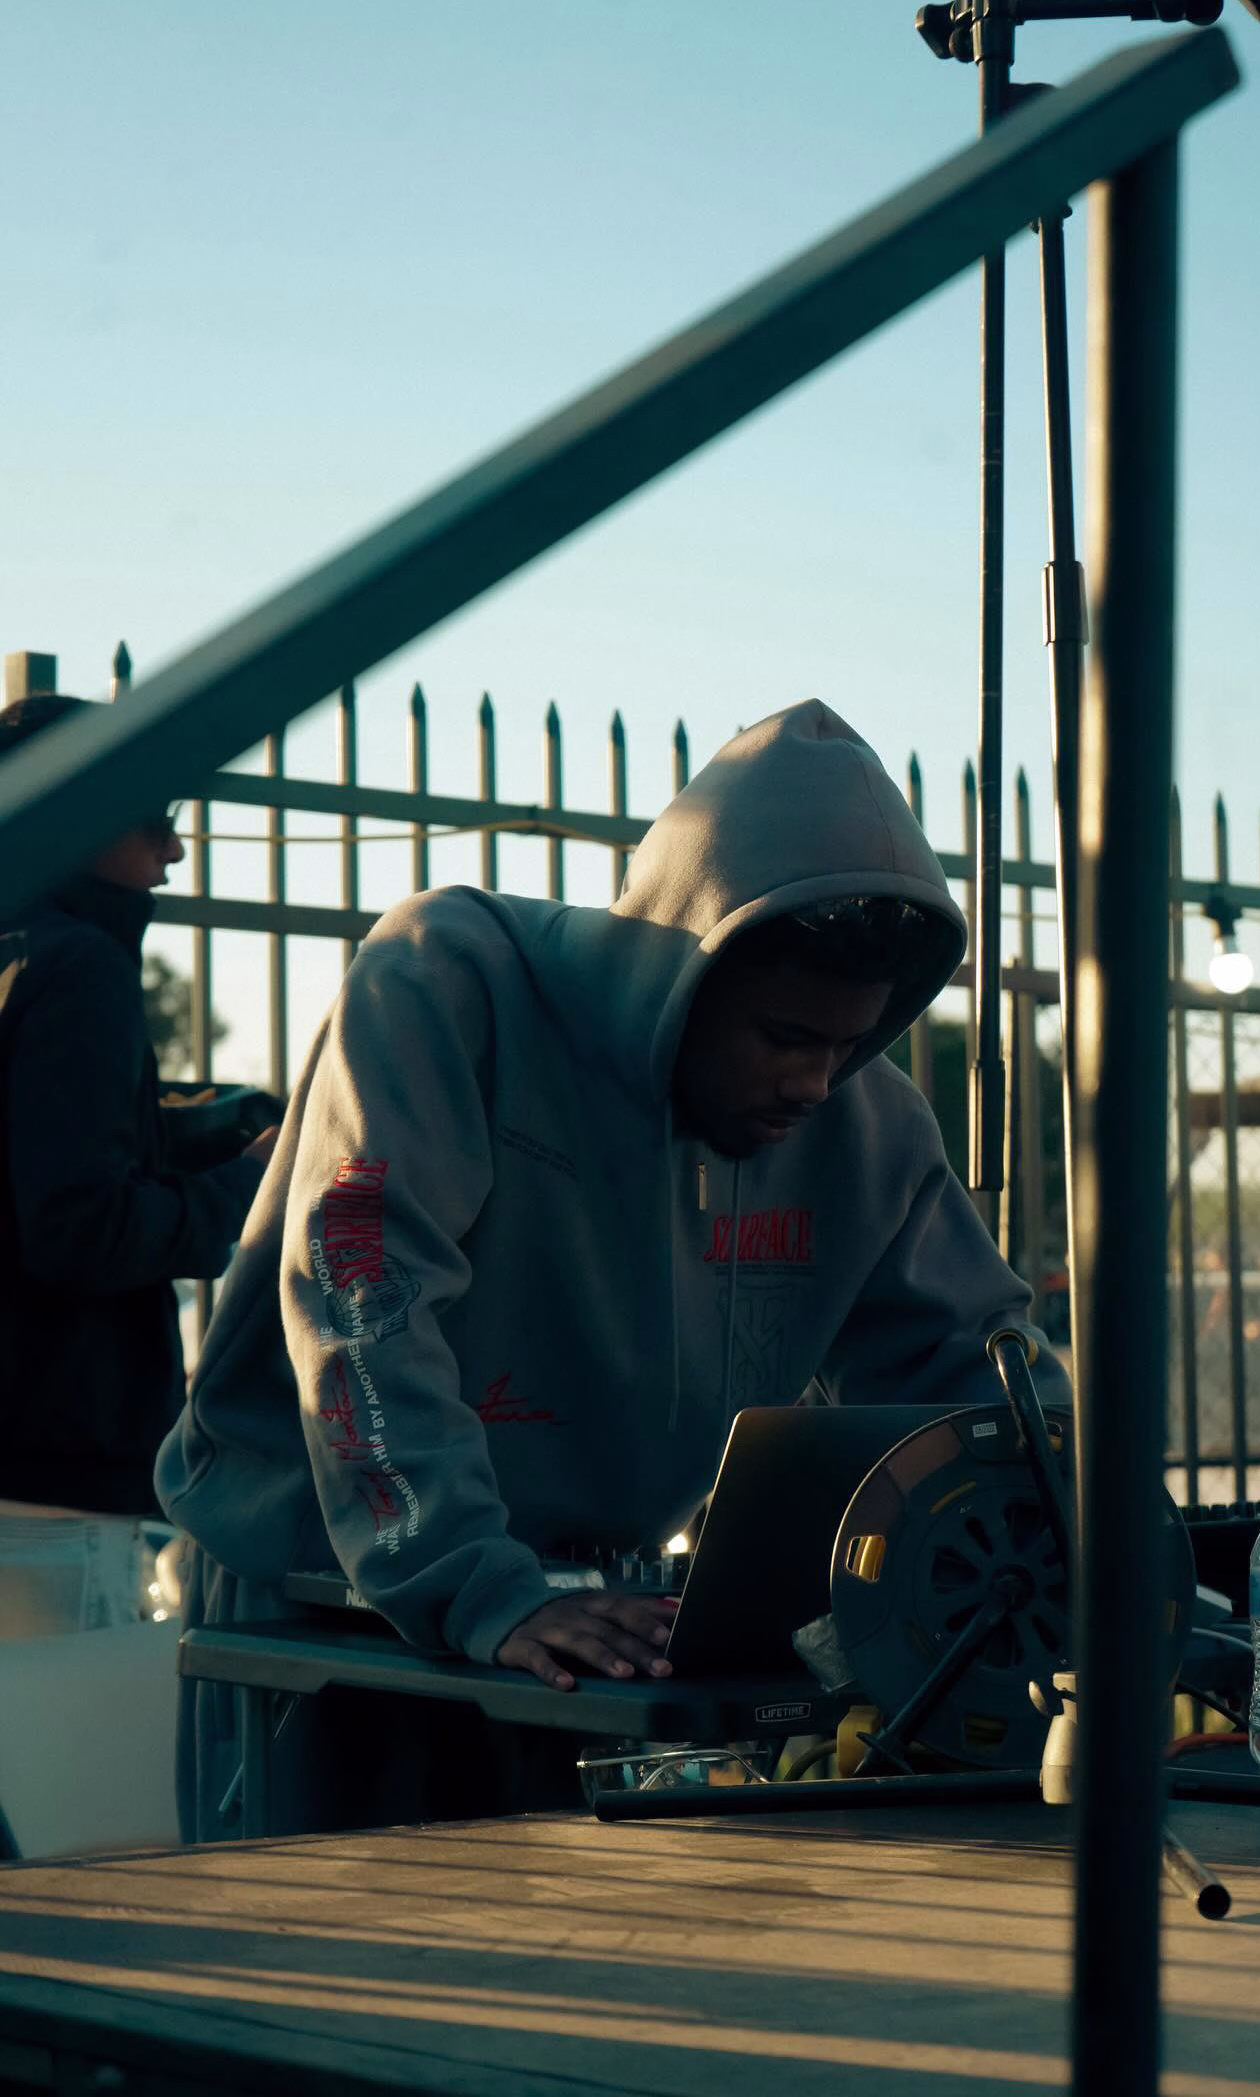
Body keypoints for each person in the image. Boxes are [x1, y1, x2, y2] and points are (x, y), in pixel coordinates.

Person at [158, 699, 1068, 1838]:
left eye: (851, 1044)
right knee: (302, 1943)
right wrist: (477, 1585)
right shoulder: (448, 984)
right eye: (787, 1037)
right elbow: (363, 1296)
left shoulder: (868, 1126)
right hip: (323, 1608)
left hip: (592, 1626)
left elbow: (981, 1373)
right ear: (682, 972)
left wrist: (1087, 1548)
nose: (816, 1083)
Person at [0, 692, 277, 1641]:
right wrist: (253, 1186)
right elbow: (80, 1228)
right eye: (155, 818)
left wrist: (180, 1138)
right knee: (65, 1738)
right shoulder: (80, 968)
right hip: (51, 1480)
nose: (175, 851)